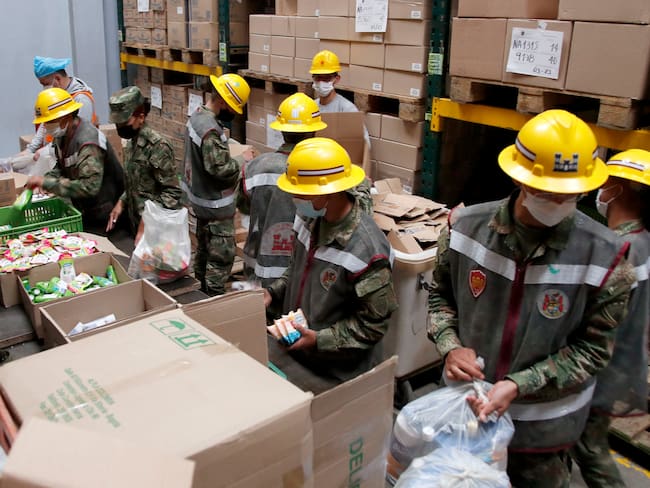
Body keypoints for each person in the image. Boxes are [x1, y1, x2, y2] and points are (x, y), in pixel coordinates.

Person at [426, 109, 636, 487]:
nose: (555, 202)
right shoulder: (465, 229)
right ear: (517, 178)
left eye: (569, 195)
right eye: (545, 192)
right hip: (465, 415)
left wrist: (520, 383)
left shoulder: (606, 257)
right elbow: (441, 298)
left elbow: (593, 351)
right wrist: (450, 345)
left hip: (543, 436)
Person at [264, 137, 398, 383]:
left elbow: (372, 325)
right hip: (298, 356)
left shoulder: (366, 250)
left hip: (337, 372)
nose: (295, 197)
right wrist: (272, 294)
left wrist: (319, 339)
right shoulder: (309, 218)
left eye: (301, 193)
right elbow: (297, 271)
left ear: (328, 193)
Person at [571, 149, 650, 487]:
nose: (599, 190)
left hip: (601, 368)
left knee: (588, 447)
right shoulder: (644, 241)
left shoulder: (618, 249)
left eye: (606, 181)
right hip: (626, 362)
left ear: (621, 189)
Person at [237, 92, 327, 288]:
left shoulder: (256, 167)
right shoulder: (320, 172)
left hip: (259, 268)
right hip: (301, 271)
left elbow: (243, 207)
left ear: (281, 130)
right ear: (313, 132)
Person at [182, 73, 253, 296]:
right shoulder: (210, 129)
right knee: (221, 258)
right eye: (232, 107)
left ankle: (199, 294)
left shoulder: (197, 117)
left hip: (200, 202)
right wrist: (244, 159)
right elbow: (220, 169)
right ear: (222, 101)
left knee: (203, 252)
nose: (232, 112)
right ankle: (212, 300)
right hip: (215, 206)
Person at [25, 88, 124, 235]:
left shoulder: (88, 142)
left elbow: (89, 187)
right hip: (85, 211)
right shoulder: (62, 136)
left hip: (107, 215)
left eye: (50, 121)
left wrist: (47, 183)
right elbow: (62, 165)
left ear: (66, 117)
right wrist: (47, 178)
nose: (46, 126)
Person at [105, 86, 183, 242]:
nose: (120, 127)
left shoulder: (158, 147)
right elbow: (137, 182)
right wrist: (122, 201)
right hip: (137, 227)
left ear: (141, 117)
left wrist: (147, 222)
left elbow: (172, 193)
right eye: (117, 123)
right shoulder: (132, 142)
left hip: (157, 232)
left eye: (124, 122)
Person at [309, 50, 373, 214]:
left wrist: (363, 175)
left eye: (326, 78)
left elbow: (363, 144)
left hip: (340, 174)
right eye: (317, 77)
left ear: (336, 79)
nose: (321, 82)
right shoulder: (311, 108)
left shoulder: (347, 109)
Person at [24, 56, 98, 158]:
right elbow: (44, 123)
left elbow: (78, 135)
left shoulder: (81, 99)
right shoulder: (55, 98)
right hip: (56, 155)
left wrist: (47, 151)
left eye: (45, 84)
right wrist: (30, 150)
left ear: (57, 79)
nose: (45, 89)